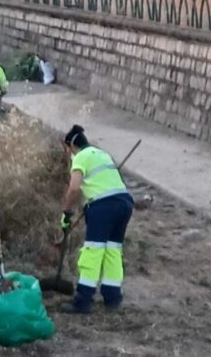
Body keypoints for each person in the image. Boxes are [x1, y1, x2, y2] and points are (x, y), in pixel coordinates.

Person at [59, 124, 134, 314]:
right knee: (112, 250)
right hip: (124, 203)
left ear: (71, 146)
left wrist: (66, 213)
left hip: (103, 207)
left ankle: (82, 301)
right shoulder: (101, 154)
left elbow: (74, 188)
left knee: (93, 251)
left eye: (67, 149)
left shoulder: (80, 157)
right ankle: (112, 297)